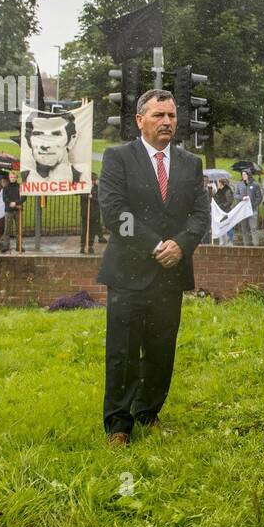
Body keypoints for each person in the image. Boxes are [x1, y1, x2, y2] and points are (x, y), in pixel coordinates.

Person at [97, 88, 210, 447]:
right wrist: (156, 245)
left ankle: (148, 412)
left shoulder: (191, 163)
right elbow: (115, 214)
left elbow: (200, 213)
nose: (166, 122)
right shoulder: (117, 158)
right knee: (123, 351)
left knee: (162, 350)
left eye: (172, 116)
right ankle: (118, 423)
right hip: (128, 273)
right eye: (158, 115)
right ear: (139, 120)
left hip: (171, 274)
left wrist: (182, 244)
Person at [20, 109, 85, 187]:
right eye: (38, 134)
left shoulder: (80, 178)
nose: (46, 145)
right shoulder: (25, 177)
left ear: (71, 140)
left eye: (56, 135)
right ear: (29, 141)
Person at [233, 170, 262, 245]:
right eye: (242, 174)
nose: (243, 176)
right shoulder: (239, 184)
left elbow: (259, 197)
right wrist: (242, 197)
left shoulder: (255, 185)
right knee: (244, 229)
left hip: (252, 210)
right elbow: (235, 195)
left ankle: (256, 246)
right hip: (243, 211)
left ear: (249, 175)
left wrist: (253, 205)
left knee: (253, 228)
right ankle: (246, 246)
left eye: (245, 174)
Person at [1, 170, 22, 252]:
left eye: (14, 177)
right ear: (9, 178)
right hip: (8, 210)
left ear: (16, 178)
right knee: (7, 230)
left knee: (18, 230)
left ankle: (19, 246)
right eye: (11, 177)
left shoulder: (20, 187)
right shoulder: (6, 188)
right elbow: (4, 198)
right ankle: (6, 246)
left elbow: (23, 197)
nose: (12, 179)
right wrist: (10, 203)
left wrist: (16, 203)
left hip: (18, 210)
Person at [212, 177, 236, 246]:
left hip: (226, 211)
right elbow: (215, 199)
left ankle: (230, 240)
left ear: (221, 183)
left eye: (218, 183)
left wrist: (222, 206)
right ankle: (222, 241)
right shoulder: (218, 191)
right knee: (221, 225)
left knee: (229, 226)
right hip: (220, 211)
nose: (217, 184)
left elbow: (230, 201)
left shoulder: (227, 190)